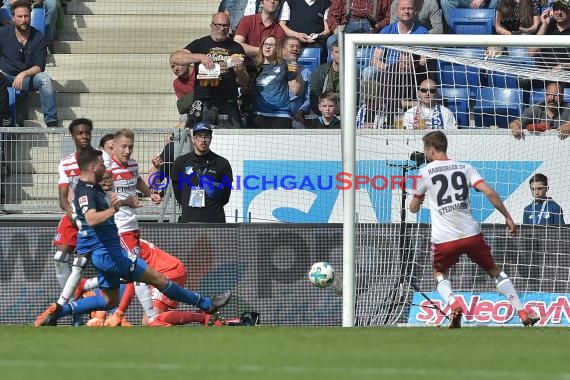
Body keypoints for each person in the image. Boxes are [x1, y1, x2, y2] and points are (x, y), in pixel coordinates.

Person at [34, 148, 232, 326]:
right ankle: (206, 304)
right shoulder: (86, 193)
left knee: (108, 300)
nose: (106, 167)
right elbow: (92, 219)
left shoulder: (92, 188)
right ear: (93, 167)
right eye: (103, 164)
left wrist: (127, 200)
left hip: (103, 255)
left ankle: (59, 312)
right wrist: (116, 207)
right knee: (158, 278)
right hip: (112, 255)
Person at [409, 130, 540, 328]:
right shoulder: (465, 168)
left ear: (431, 150)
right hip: (471, 233)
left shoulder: (425, 172)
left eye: (426, 150)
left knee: (438, 271)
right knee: (494, 271)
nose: (426, 154)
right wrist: (508, 217)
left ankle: (454, 304)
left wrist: (420, 199)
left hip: (444, 238)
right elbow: (490, 192)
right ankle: (522, 312)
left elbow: (413, 208)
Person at [49, 118, 94, 326]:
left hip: (95, 218)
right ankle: (75, 307)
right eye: (79, 133)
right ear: (73, 136)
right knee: (60, 257)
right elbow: (63, 198)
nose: (84, 136)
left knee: (96, 265)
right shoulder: (66, 162)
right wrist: (72, 214)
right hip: (73, 217)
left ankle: (105, 312)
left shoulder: (100, 158)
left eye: (87, 133)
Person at [171, 12, 249, 129]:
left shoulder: (236, 47)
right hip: (203, 103)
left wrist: (240, 70)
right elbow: (175, 58)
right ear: (211, 25)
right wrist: (200, 57)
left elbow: (244, 81)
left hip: (228, 103)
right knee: (200, 139)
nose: (222, 29)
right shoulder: (200, 43)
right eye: (218, 25)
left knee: (233, 142)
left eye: (225, 26)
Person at [361, 0, 428, 127]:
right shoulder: (387, 30)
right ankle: (368, 116)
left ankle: (410, 111)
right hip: (389, 71)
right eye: (403, 8)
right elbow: (375, 59)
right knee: (368, 72)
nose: (406, 11)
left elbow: (423, 60)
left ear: (415, 11)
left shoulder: (422, 32)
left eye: (409, 8)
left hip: (410, 70)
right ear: (397, 12)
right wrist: (391, 69)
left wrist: (410, 65)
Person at [0, 0, 58, 127]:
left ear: (30, 16)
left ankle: (51, 121)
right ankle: (4, 119)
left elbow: (39, 67)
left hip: (27, 79)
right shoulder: (2, 33)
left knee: (45, 78)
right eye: (19, 16)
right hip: (5, 77)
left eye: (26, 16)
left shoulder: (39, 37)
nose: (23, 20)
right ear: (13, 17)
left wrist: (23, 74)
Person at [171, 122, 233, 223]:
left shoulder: (222, 163)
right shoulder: (181, 162)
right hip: (189, 220)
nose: (203, 140)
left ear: (211, 139)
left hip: (215, 221)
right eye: (199, 136)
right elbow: (178, 192)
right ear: (193, 139)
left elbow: (226, 196)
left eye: (206, 136)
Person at [247, 36, 304, 129]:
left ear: (278, 48)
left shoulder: (285, 65)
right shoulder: (253, 66)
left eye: (271, 45)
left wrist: (298, 73)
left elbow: (297, 91)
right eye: (265, 44)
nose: (267, 47)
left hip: (281, 115)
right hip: (258, 113)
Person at [326, 0, 392, 51]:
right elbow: (331, 16)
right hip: (346, 34)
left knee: (382, 45)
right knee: (331, 40)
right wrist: (337, 29)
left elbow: (389, 17)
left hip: (372, 34)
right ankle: (333, 68)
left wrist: (379, 26)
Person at [529, 0, 570, 70]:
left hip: (564, 75)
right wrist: (544, 26)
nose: (559, 12)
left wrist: (563, 66)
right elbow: (531, 52)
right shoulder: (547, 25)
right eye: (556, 9)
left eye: (563, 9)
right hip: (542, 74)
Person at [281, 36, 311, 128]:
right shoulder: (275, 68)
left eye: (298, 47)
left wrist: (302, 111)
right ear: (282, 50)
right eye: (291, 46)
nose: (295, 49)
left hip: (295, 117)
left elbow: (308, 96)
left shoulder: (306, 72)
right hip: (276, 116)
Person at [309, 40, 339, 115]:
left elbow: (355, 97)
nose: (340, 55)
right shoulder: (320, 70)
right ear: (332, 54)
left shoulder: (354, 72)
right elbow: (315, 95)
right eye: (337, 52)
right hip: (322, 113)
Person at [169, 52, 195, 128]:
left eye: (178, 64)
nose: (176, 69)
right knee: (183, 116)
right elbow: (183, 106)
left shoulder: (200, 72)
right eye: (172, 66)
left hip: (211, 108)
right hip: (192, 112)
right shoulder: (177, 83)